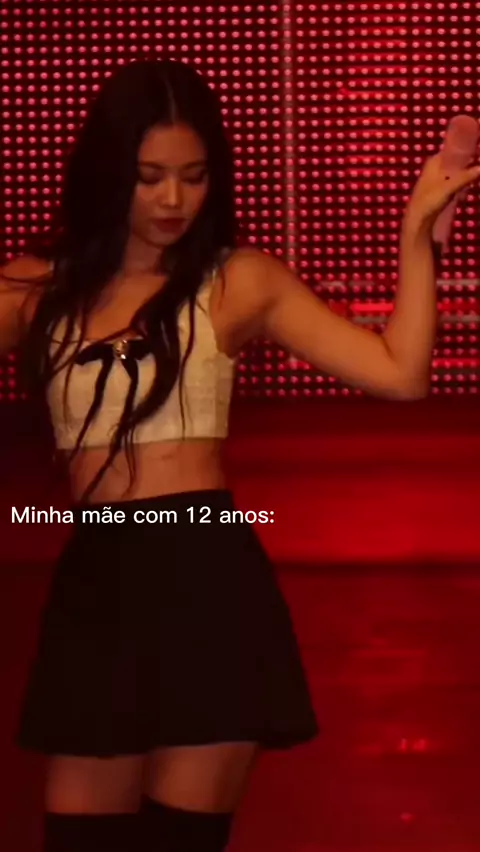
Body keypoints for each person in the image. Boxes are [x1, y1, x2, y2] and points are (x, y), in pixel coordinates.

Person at [0, 59, 479, 852]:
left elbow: (400, 374)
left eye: (193, 177)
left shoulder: (238, 280)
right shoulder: (37, 289)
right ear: (108, 171)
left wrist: (417, 234)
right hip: (97, 583)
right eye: (149, 177)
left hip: (208, 580)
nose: (173, 200)